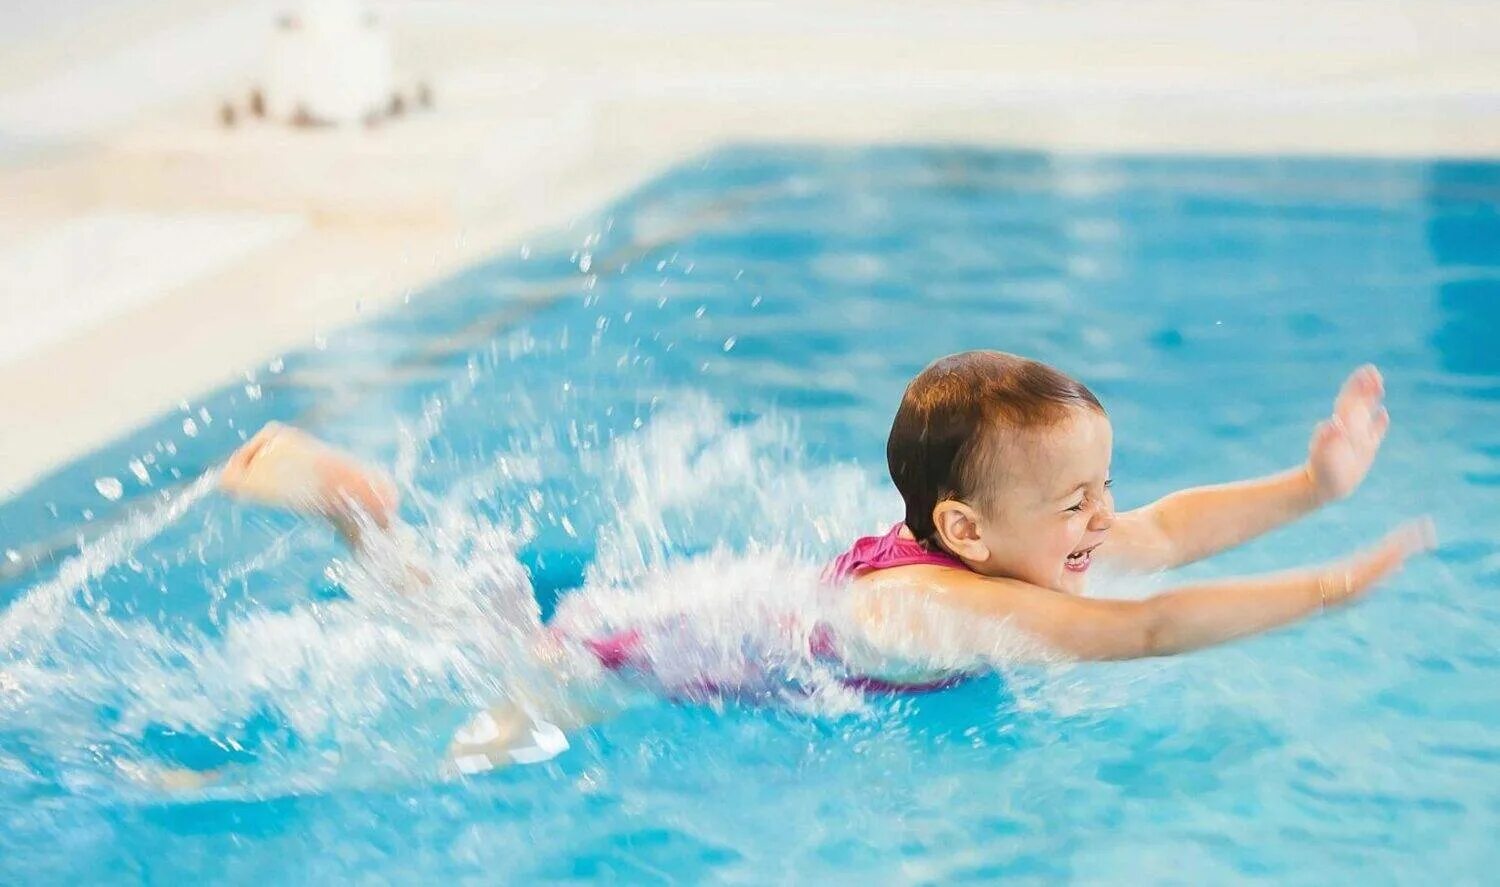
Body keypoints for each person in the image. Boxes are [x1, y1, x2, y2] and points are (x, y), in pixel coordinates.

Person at [219, 351, 1432, 773]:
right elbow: (1148, 628)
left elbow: (1168, 535)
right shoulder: (933, 610)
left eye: (1102, 490)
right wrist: (1324, 589)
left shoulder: (1010, 539)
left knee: (487, 618)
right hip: (641, 660)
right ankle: (359, 514)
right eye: (1079, 500)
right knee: (479, 678)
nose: (1106, 520)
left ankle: (371, 515)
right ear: (967, 532)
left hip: (721, 616)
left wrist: (1310, 486)